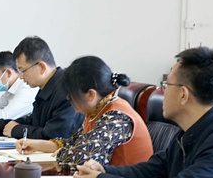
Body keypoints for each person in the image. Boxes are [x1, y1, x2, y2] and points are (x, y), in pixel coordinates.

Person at [74, 47, 213, 178]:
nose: (163, 91)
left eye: (166, 85)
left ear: (183, 95)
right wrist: (104, 172)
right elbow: (152, 170)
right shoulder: (191, 130)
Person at [16, 56, 152, 169]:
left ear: (91, 95)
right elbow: (74, 142)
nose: (68, 100)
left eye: (71, 96)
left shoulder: (117, 117)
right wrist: (37, 145)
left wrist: (64, 153)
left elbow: (83, 157)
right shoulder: (97, 110)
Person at [0, 36, 82, 140]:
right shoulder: (46, 88)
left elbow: (55, 137)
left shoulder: (68, 91)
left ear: (41, 67)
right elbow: (33, 122)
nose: (21, 76)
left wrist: (15, 130)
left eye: (23, 71)